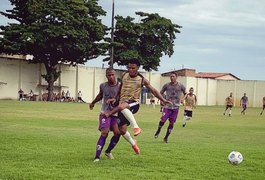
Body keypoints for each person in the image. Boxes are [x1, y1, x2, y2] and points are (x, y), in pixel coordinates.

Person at [103, 58, 171, 137]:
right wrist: (115, 98)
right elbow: (121, 88)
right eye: (129, 67)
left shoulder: (142, 79)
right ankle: (133, 144)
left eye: (133, 68)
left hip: (134, 103)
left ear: (138, 67)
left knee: (122, 106)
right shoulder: (124, 75)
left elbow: (154, 91)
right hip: (122, 104)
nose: (130, 70)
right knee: (122, 129)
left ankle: (136, 127)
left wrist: (163, 99)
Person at [89, 68, 140, 162]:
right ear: (106, 76)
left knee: (118, 133)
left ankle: (108, 151)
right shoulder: (103, 85)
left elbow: (123, 100)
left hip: (116, 114)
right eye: (109, 75)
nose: (111, 77)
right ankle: (97, 156)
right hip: (104, 113)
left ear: (115, 75)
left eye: (112, 75)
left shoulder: (121, 86)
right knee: (105, 132)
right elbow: (100, 95)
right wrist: (93, 102)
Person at [154, 72, 186, 143]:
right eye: (171, 76)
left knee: (171, 123)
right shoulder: (166, 85)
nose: (172, 78)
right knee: (163, 120)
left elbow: (185, 93)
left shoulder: (180, 86)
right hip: (167, 106)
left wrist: (183, 99)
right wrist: (161, 100)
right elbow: (161, 93)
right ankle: (159, 130)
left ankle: (166, 137)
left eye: (173, 76)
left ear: (176, 77)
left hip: (176, 107)